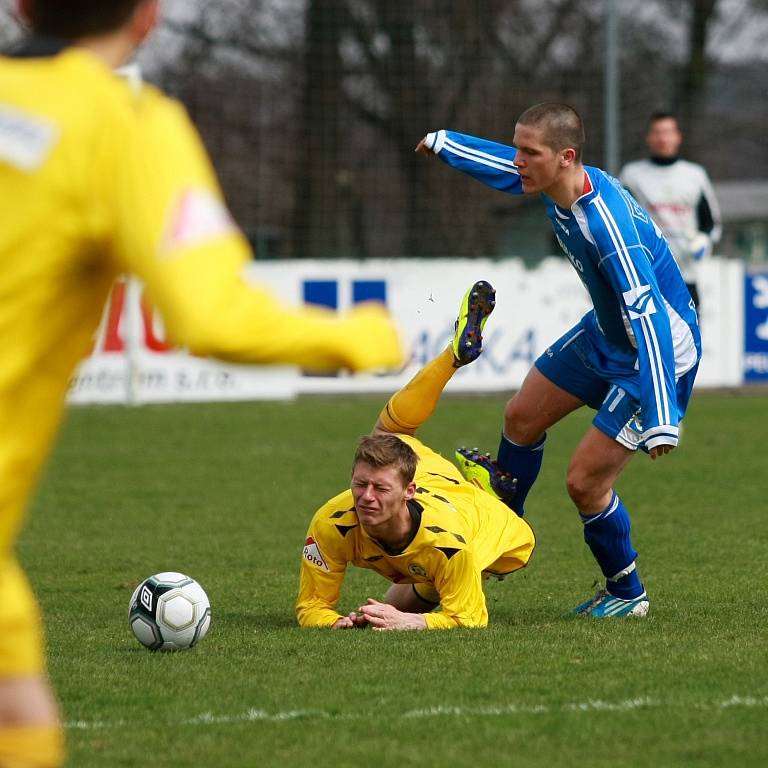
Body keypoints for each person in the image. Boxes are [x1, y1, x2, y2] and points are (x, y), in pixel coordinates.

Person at [0, 2, 404, 765]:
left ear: (20, 7)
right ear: (149, 17)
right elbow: (213, 315)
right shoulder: (125, 126)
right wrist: (359, 336)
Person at [415, 103, 701, 620]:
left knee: (585, 482)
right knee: (520, 417)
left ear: (565, 158)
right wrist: (446, 143)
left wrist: (661, 415)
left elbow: (650, 315)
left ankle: (626, 592)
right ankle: (504, 529)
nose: (518, 161)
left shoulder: (608, 227)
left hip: (656, 353)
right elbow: (508, 170)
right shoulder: (558, 181)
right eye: (519, 147)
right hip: (607, 334)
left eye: (530, 152)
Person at [296, 282, 535, 631]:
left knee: (431, 584)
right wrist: (334, 623)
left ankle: (485, 494)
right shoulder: (331, 522)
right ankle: (452, 357)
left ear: (408, 492)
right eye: (360, 484)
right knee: (388, 436)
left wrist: (413, 623)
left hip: (494, 532)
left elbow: (470, 619)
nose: (365, 496)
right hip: (432, 480)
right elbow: (311, 606)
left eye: (379, 488)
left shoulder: (450, 544)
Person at [619, 111, 721, 308]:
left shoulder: (695, 175)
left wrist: (704, 241)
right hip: (645, 275)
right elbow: (620, 221)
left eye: (667, 132)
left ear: (678, 137)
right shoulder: (631, 175)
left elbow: (711, 223)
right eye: (657, 132)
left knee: (689, 337)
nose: (662, 138)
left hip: (685, 276)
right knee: (648, 337)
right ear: (648, 138)